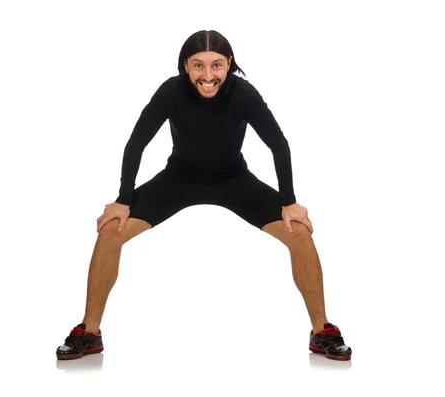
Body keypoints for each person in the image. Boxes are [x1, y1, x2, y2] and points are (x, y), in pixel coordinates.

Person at [56, 30, 352, 361]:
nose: (207, 76)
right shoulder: (170, 91)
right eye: (198, 65)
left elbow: (278, 144)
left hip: (234, 181)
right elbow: (136, 142)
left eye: (216, 66)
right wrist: (124, 200)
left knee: (300, 234)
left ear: (229, 64)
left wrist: (289, 202)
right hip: (178, 180)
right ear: (185, 66)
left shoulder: (244, 94)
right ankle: (90, 332)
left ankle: (321, 330)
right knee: (111, 229)